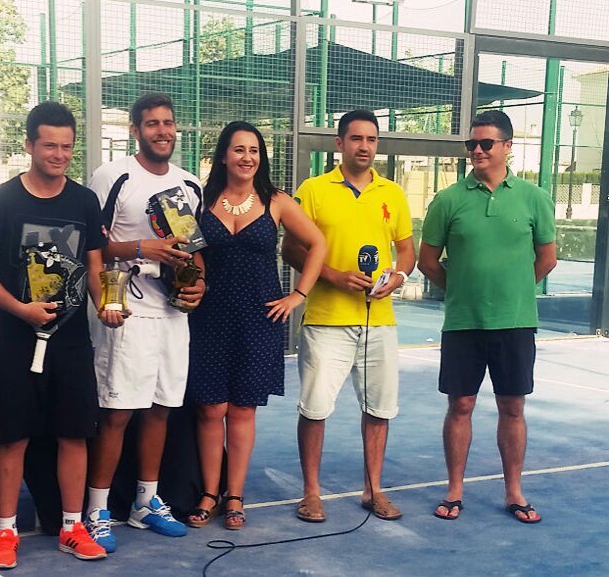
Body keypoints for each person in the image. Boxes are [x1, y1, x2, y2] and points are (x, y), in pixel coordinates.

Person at [0, 102, 115, 569]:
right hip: (14, 341)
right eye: (49, 145)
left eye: (67, 147)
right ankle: (6, 533)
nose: (58, 154)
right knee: (14, 438)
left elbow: (94, 265)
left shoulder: (84, 201)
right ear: (29, 145)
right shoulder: (0, 200)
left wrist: (106, 303)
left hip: (71, 343)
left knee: (74, 435)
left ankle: (73, 526)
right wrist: (21, 310)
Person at [418, 110, 556, 524]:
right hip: (463, 323)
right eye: (471, 144)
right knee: (460, 404)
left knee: (512, 407)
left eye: (486, 144)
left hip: (515, 323)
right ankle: (454, 489)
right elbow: (427, 261)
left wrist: (513, 289)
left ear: (508, 147)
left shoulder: (535, 198)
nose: (477, 150)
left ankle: (514, 491)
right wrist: (462, 289)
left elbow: (546, 259)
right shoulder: (447, 200)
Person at [186, 121, 325, 530]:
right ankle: (209, 494)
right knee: (211, 410)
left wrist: (298, 295)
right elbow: (191, 255)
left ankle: (235, 496)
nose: (247, 157)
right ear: (224, 156)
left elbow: (317, 243)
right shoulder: (201, 201)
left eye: (254, 151)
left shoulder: (276, 201)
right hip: (208, 317)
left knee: (243, 410)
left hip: (259, 318)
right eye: (239, 149)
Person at [84, 92, 206, 551]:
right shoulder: (113, 176)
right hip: (125, 312)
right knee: (117, 413)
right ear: (135, 130)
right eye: (152, 124)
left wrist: (198, 287)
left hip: (173, 318)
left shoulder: (190, 184)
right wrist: (140, 248)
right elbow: (89, 246)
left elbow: (193, 252)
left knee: (160, 409)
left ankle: (145, 503)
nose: (163, 131)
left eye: (169, 123)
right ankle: (97, 509)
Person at [282, 109, 415, 523]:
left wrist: (398, 275)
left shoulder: (392, 192)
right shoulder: (314, 190)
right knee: (316, 408)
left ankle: (373, 490)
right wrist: (333, 276)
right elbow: (291, 249)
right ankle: (311, 493)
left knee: (379, 409)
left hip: (380, 321)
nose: (364, 146)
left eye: (371, 139)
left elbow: (406, 250)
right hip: (326, 318)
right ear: (339, 144)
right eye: (356, 138)